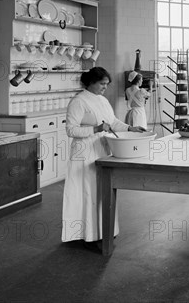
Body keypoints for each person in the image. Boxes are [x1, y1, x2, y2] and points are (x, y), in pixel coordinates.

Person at [61, 67, 145, 249]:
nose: (105, 88)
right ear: (90, 82)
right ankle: (86, 236)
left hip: (101, 149)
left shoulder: (103, 100)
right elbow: (70, 129)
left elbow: (113, 122)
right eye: (102, 84)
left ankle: (103, 231)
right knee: (87, 191)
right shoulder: (79, 101)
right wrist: (96, 129)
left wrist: (131, 128)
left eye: (107, 84)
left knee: (102, 191)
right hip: (83, 152)